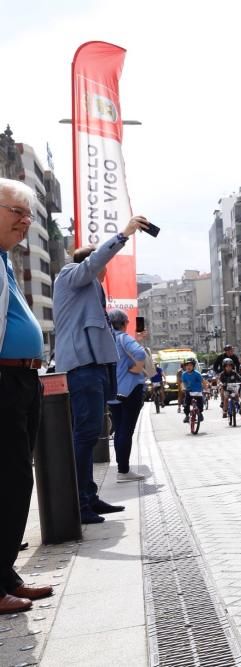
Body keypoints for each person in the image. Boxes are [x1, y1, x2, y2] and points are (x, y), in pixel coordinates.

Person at [54, 213, 152, 524]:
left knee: (92, 433)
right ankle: (80, 504)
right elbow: (93, 263)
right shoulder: (70, 275)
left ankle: (90, 497)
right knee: (84, 435)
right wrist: (124, 234)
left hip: (96, 367)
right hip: (83, 366)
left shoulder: (89, 290)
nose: (103, 270)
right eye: (100, 265)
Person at [0, 178, 54, 613]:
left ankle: (5, 574)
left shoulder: (3, 259)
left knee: (17, 479)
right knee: (9, 479)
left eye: (28, 213)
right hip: (3, 381)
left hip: (22, 381)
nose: (26, 221)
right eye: (18, 211)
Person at [106, 309, 147, 482]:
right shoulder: (123, 337)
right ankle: (123, 471)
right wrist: (136, 369)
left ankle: (121, 468)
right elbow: (140, 353)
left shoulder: (106, 339)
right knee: (126, 430)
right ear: (124, 323)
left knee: (118, 428)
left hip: (112, 391)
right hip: (130, 389)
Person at [179, 357, 205, 423]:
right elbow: (183, 383)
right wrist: (183, 388)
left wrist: (206, 388)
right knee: (186, 404)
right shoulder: (184, 374)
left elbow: (203, 382)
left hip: (197, 391)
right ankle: (187, 416)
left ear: (193, 366)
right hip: (189, 391)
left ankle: (200, 414)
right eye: (187, 365)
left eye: (190, 365)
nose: (188, 367)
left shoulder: (197, 374)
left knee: (200, 404)